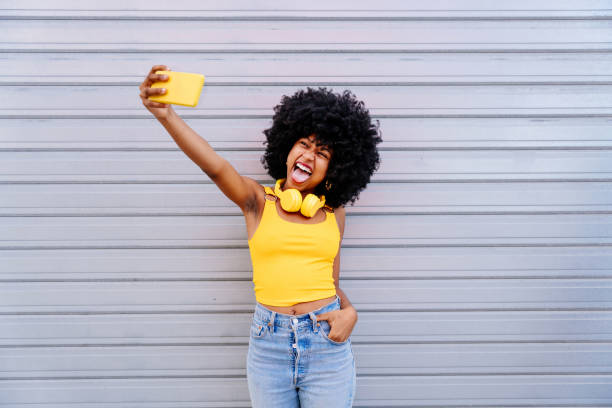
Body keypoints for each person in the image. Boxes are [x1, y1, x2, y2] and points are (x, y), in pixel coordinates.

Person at [139, 65, 382, 407]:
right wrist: (166, 116)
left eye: (322, 153)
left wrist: (350, 310)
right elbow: (214, 166)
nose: (308, 156)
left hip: (326, 344)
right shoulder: (257, 201)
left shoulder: (334, 214)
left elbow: (329, 281)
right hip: (269, 346)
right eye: (304, 144)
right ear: (288, 146)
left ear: (335, 170)